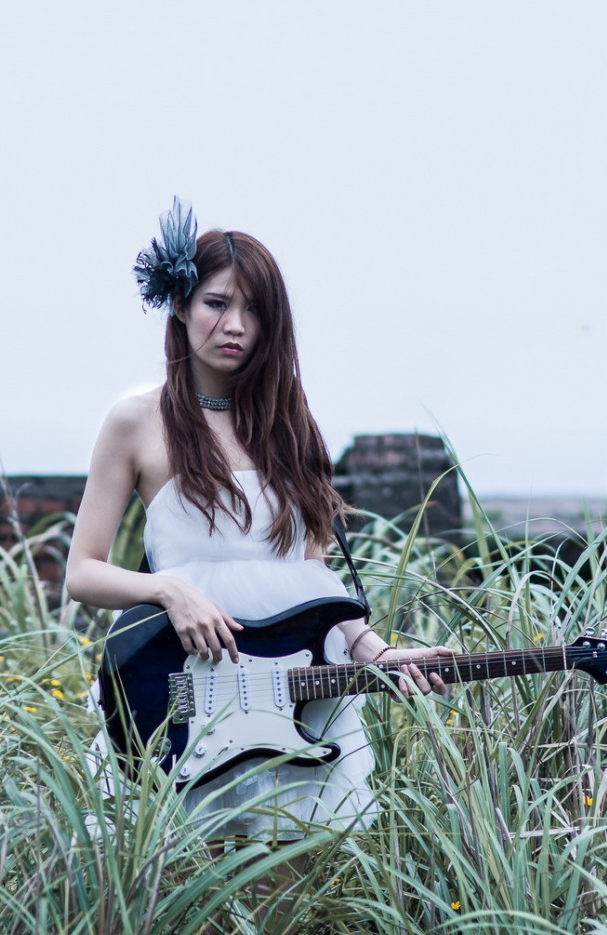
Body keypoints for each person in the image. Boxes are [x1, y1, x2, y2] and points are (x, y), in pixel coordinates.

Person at [64, 202, 452, 842]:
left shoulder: (290, 424)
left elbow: (312, 574)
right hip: (184, 682)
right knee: (182, 879)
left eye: (255, 310)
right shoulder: (136, 420)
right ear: (180, 305)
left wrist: (377, 653)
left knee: (287, 883)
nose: (236, 326)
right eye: (216, 304)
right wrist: (169, 590)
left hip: (296, 692)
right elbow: (82, 572)